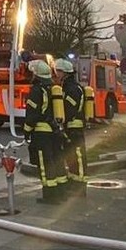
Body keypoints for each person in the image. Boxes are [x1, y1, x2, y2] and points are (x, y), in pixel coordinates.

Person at [25, 59, 67, 204]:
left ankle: (49, 196)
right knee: (56, 161)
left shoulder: (37, 90)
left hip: (41, 134)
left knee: (45, 165)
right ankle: (61, 192)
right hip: (55, 131)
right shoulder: (53, 88)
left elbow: (31, 115)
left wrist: (27, 131)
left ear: (36, 75)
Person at [55, 58, 88, 197]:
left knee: (78, 157)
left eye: (58, 71)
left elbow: (69, 109)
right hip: (69, 128)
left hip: (74, 128)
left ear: (65, 72)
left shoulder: (73, 89)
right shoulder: (66, 87)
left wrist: (61, 120)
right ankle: (74, 183)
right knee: (71, 157)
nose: (57, 74)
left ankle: (80, 187)